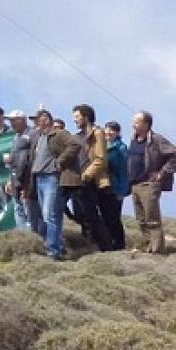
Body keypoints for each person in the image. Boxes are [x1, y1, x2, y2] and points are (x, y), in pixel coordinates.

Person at [127, 111, 176, 254]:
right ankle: (149, 247)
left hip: (148, 185)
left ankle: (157, 252)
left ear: (146, 124)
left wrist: (162, 173)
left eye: (137, 122)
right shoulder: (133, 139)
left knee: (152, 219)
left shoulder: (156, 139)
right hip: (135, 184)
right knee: (141, 220)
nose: (133, 124)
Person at [28, 109, 80, 260]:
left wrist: (60, 162)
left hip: (51, 178)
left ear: (46, 119)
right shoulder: (39, 137)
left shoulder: (58, 133)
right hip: (40, 178)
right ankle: (55, 245)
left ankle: (52, 249)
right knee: (50, 216)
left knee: (49, 215)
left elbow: (75, 145)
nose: (35, 123)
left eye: (37, 119)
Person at [70, 104, 115, 251]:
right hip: (80, 180)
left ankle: (105, 246)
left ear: (86, 117)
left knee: (93, 216)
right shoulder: (79, 135)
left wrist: (86, 175)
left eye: (77, 117)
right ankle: (94, 245)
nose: (74, 120)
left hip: (91, 181)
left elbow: (101, 159)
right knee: (84, 216)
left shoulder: (97, 133)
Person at [5, 110, 42, 234]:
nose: (11, 124)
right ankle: (24, 239)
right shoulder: (15, 137)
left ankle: (35, 240)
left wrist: (28, 184)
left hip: (28, 180)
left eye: (13, 120)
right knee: (19, 210)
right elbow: (14, 160)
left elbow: (32, 159)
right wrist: (10, 180)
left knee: (31, 212)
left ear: (22, 120)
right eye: (10, 121)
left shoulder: (33, 134)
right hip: (15, 180)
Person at [102, 121, 129, 251]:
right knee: (105, 216)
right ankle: (107, 242)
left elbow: (123, 169)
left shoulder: (121, 148)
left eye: (112, 130)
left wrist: (122, 190)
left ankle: (119, 244)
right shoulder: (102, 145)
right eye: (107, 130)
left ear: (118, 133)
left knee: (114, 217)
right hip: (103, 187)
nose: (109, 132)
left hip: (116, 187)